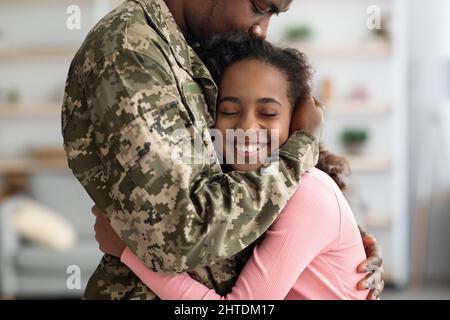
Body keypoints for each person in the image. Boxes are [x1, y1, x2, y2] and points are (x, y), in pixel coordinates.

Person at [62, 0, 383, 300]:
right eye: (260, 7)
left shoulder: (199, 48)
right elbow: (178, 233)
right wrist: (301, 147)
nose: (262, 29)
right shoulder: (131, 47)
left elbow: (227, 176)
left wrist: (340, 245)